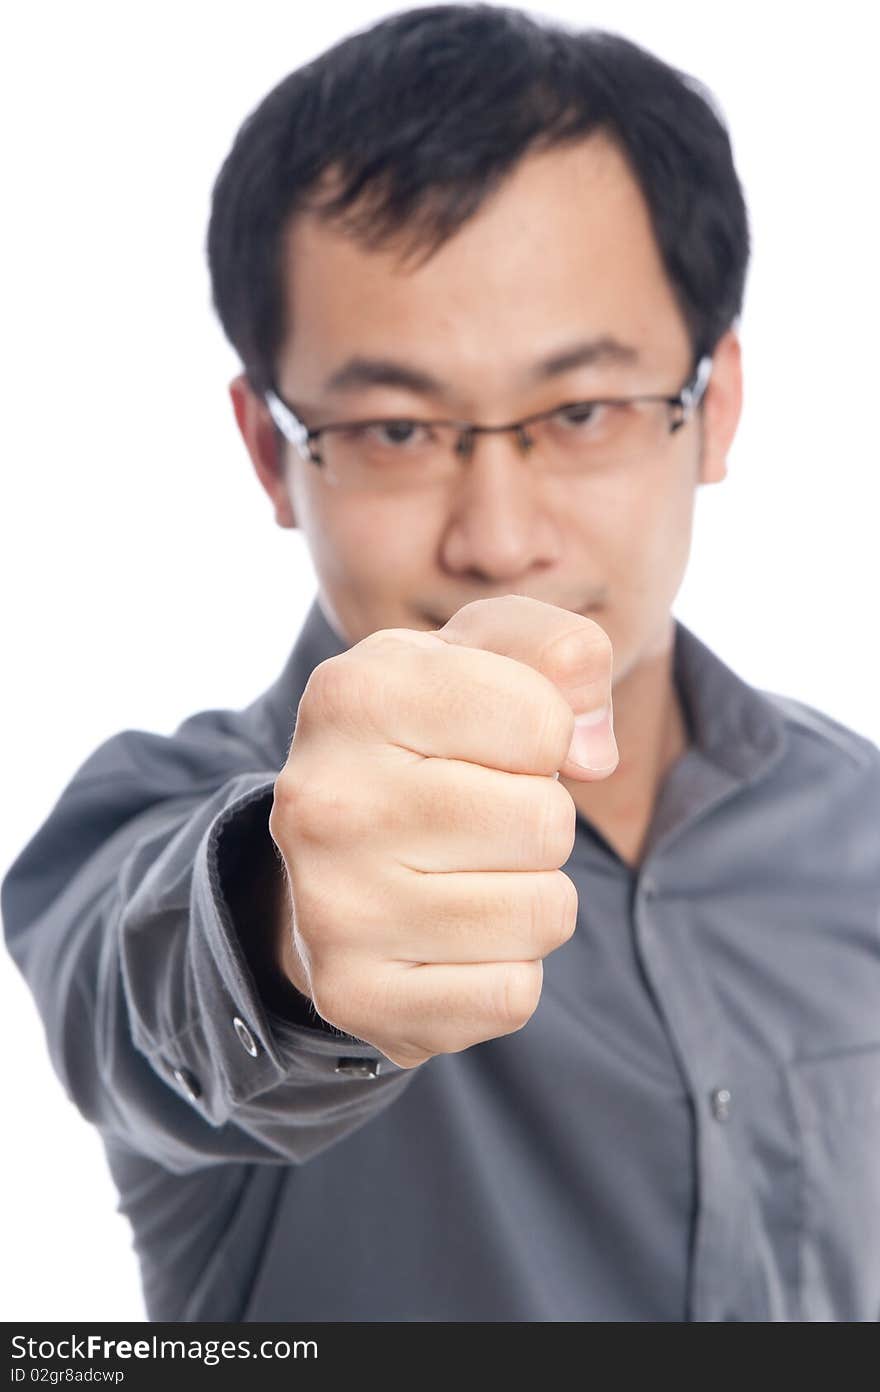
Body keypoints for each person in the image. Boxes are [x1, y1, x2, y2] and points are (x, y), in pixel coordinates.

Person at [3, 2, 879, 1324]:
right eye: (397, 429)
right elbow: (157, 996)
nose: (500, 537)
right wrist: (291, 930)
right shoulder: (156, 824)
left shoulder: (859, 819)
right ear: (269, 450)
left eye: (582, 411)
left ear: (718, 405)